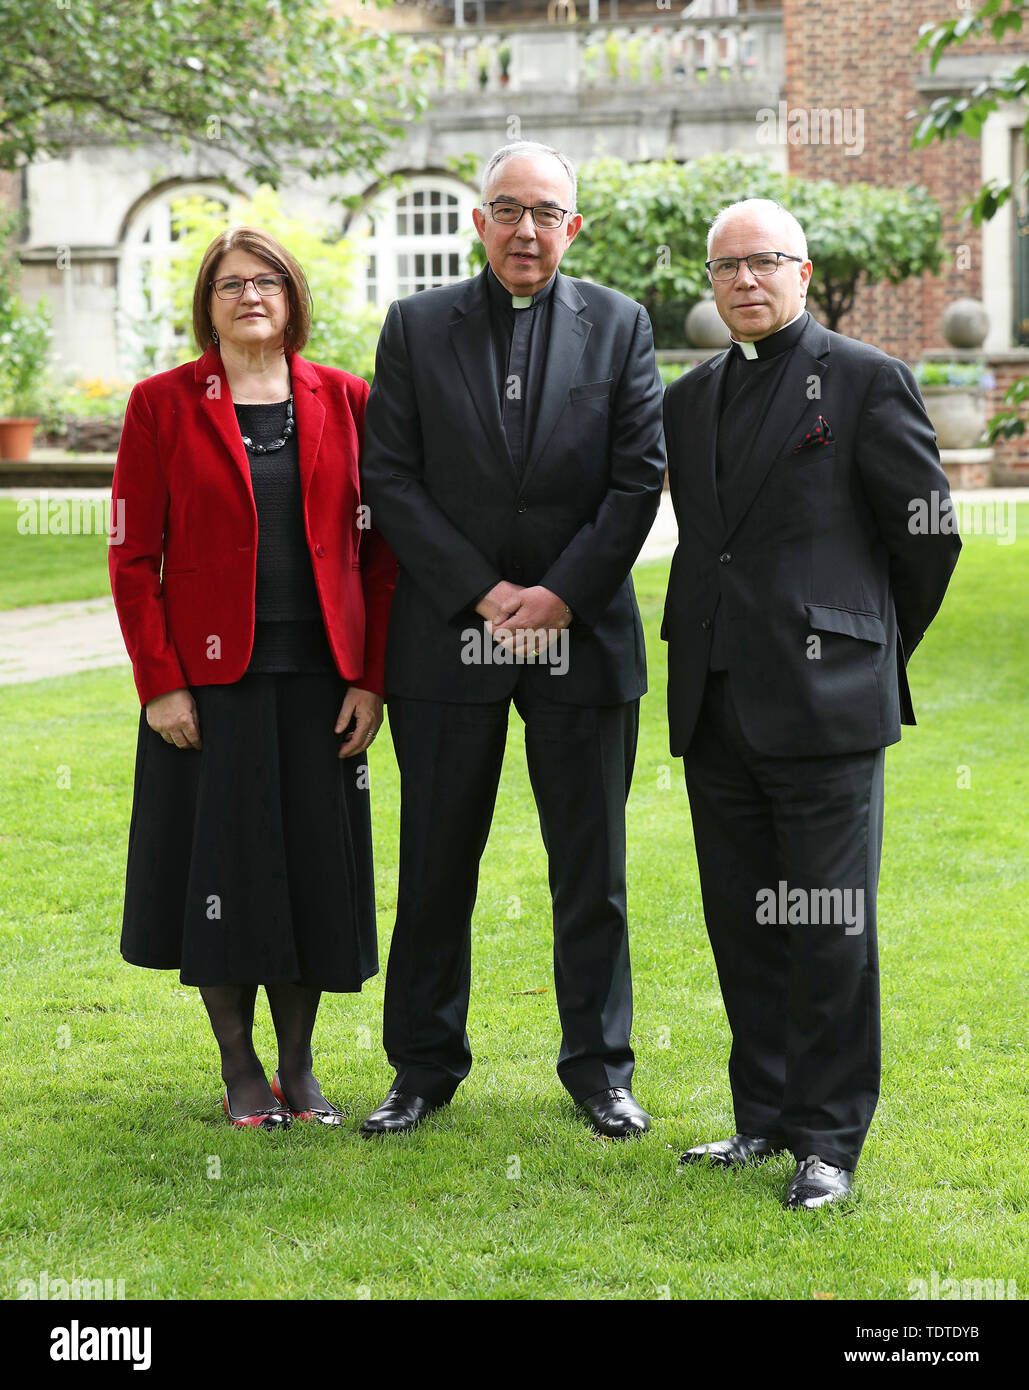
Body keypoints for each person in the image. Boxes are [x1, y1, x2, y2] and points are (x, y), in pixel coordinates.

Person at [359, 141, 666, 1138]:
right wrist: (486, 592)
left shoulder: (620, 325)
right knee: (435, 858)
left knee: (592, 867)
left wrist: (561, 596)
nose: (526, 229)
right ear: (477, 222)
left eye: (546, 212)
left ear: (573, 226)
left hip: (582, 636)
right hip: (453, 635)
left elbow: (637, 480)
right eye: (506, 208)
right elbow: (391, 478)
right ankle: (423, 1066)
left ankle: (600, 1068)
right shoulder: (413, 328)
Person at [662, 198, 961, 1206]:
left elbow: (927, 537)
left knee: (830, 928)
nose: (746, 280)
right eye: (727, 266)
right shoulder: (690, 397)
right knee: (743, 919)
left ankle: (830, 1142)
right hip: (716, 701)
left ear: (803, 268)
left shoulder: (869, 381)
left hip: (828, 705)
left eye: (767, 261)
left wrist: (866, 645)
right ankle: (766, 1117)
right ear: (711, 283)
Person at [109, 227, 396, 1131]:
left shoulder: (347, 398)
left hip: (322, 684)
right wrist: (160, 683)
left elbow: (381, 554)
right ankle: (240, 1070)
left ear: (292, 294)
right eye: (229, 284)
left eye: (265, 280)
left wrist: (371, 678)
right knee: (220, 875)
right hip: (208, 687)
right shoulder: (161, 405)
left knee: (311, 873)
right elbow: (131, 556)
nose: (249, 296)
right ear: (208, 303)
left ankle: (301, 1072)